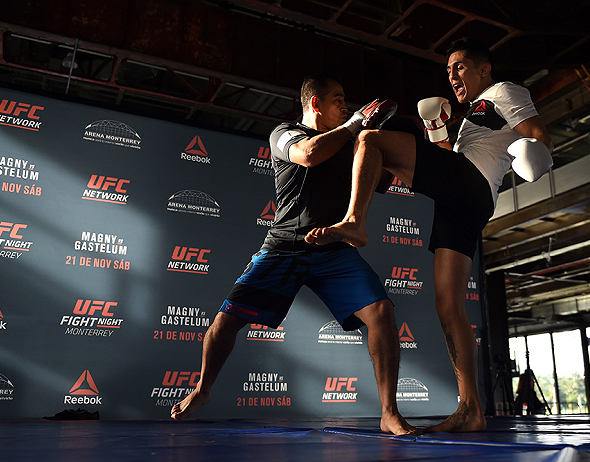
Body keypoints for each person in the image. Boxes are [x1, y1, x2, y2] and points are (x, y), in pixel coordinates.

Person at [305, 37, 554, 433]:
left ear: (483, 70)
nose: (452, 74)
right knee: (448, 304)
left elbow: (539, 135)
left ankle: (354, 220)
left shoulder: (503, 92)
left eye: (460, 66)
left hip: (472, 184)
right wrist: (437, 129)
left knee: (371, 139)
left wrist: (537, 155)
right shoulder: (472, 115)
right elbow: (448, 163)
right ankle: (470, 408)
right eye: (449, 69)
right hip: (464, 200)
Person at [171, 74, 418, 435]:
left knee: (381, 311)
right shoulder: (286, 133)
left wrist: (384, 139)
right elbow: (309, 154)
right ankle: (203, 389)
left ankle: (389, 413)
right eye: (339, 98)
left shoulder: (351, 144)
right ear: (315, 103)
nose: (346, 105)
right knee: (225, 323)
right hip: (284, 245)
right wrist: (354, 126)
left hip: (333, 247)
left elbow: (381, 182)